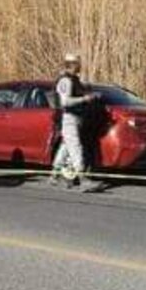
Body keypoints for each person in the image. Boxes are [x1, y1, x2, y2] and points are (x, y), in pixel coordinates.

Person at [52, 53, 103, 193]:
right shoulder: (65, 81)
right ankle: (82, 178)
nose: (80, 66)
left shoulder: (75, 80)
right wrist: (85, 99)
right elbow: (65, 102)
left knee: (66, 146)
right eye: (78, 63)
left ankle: (55, 173)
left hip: (77, 118)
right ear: (72, 64)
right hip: (69, 118)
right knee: (75, 147)